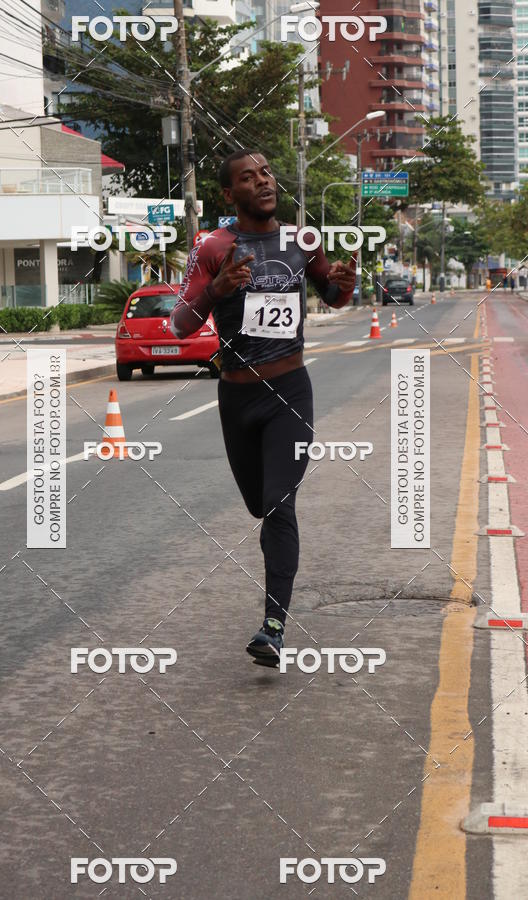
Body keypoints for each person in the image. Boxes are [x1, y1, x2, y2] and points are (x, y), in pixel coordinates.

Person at [170, 149, 355, 666]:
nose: (263, 181)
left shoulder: (300, 241)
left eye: (267, 172)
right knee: (258, 504)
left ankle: (273, 626)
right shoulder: (211, 247)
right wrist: (215, 290)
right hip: (236, 397)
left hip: (290, 393)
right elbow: (181, 324)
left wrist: (346, 280)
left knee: (278, 504)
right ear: (230, 194)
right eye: (248, 178)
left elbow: (335, 295)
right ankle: (274, 591)